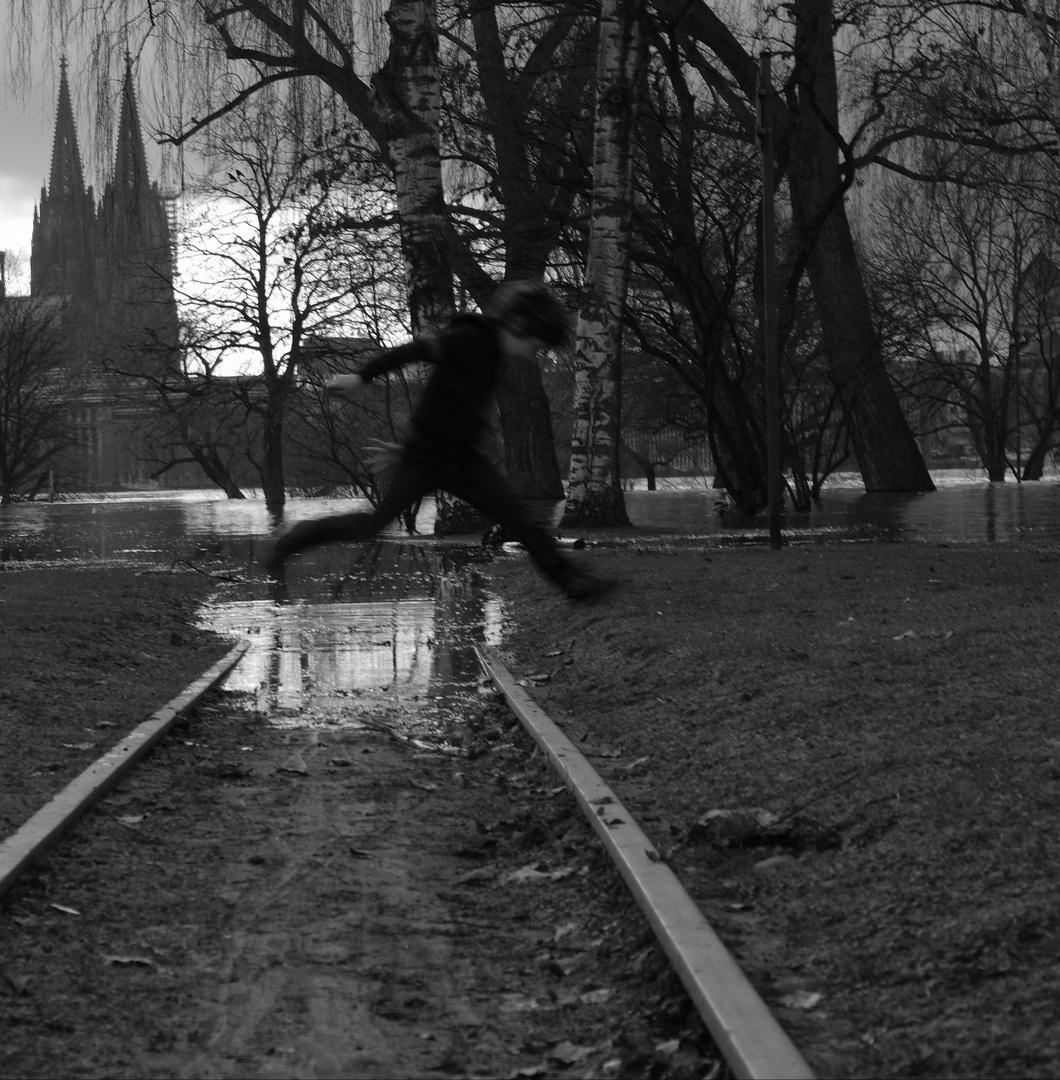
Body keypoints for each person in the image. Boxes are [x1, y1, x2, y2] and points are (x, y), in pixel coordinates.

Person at [264, 281, 614, 603]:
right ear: (521, 326)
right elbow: (413, 351)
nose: (532, 353)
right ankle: (286, 546)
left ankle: (573, 582)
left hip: (461, 460)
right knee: (370, 525)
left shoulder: (494, 354)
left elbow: (451, 406)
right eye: (535, 345)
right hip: (424, 458)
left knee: (522, 519)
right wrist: (360, 376)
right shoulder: (468, 340)